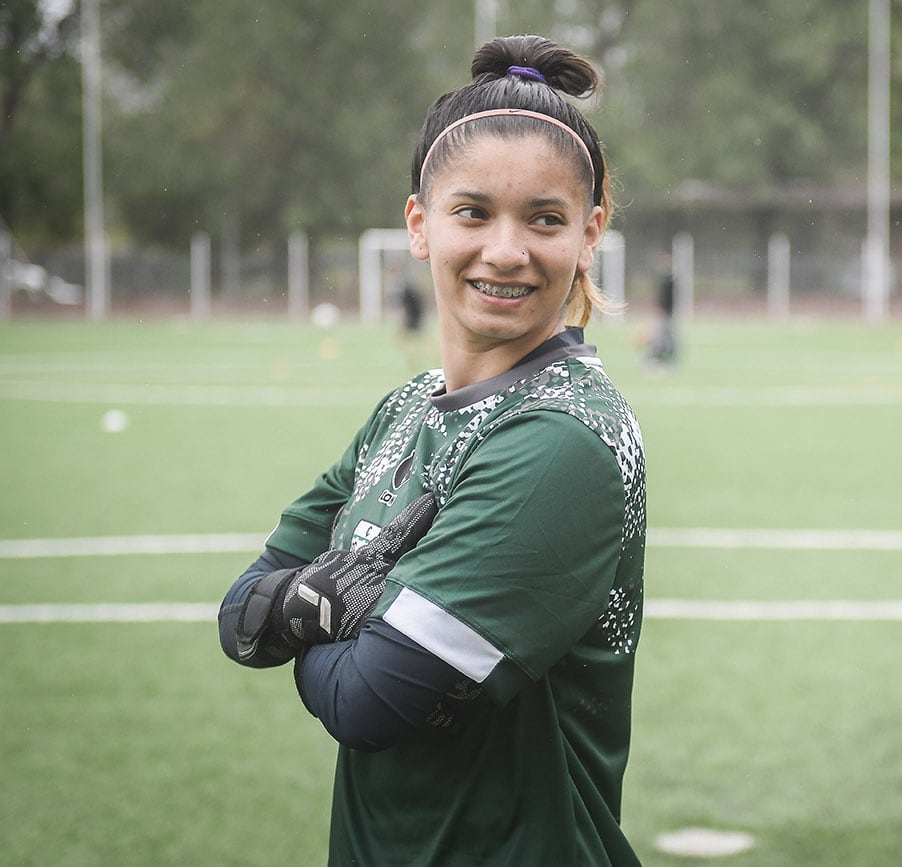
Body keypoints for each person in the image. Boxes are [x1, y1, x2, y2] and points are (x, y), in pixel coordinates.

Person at [218, 34, 646, 866]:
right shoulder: (404, 409)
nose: (507, 249)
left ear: (590, 234)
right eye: (473, 212)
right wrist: (335, 610)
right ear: (420, 225)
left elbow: (368, 701)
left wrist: (305, 608)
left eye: (546, 219)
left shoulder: (561, 443)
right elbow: (236, 614)